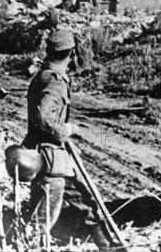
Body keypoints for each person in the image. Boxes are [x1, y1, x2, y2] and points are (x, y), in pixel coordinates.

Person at [23, 30, 114, 251]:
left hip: (52, 157)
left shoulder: (46, 75)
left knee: (85, 201)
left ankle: (109, 247)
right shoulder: (54, 81)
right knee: (43, 218)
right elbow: (44, 116)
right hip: (50, 158)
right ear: (71, 53)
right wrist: (65, 129)